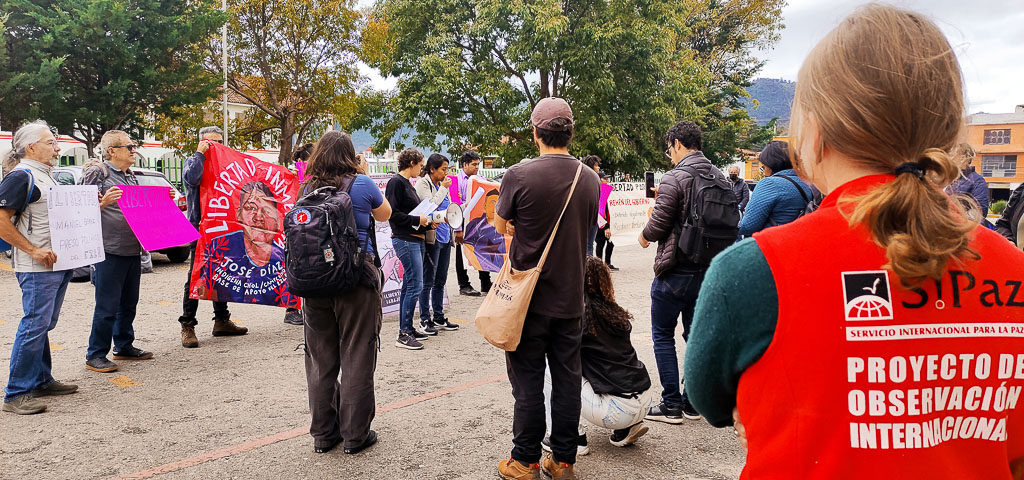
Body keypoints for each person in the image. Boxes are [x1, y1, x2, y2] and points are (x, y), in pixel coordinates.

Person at [685, 5, 1024, 478]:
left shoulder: (755, 270)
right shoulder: (1014, 271)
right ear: (946, 132)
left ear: (816, 133)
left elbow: (707, 397)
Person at [494, 97, 600, 480]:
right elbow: (588, 225)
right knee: (568, 381)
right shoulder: (590, 178)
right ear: (571, 132)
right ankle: (563, 461)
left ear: (536, 132)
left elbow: (499, 223)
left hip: (527, 301)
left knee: (527, 382)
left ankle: (525, 461)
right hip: (572, 299)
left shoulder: (518, 175)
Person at [299, 130, 391, 455]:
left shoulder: (306, 188)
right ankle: (355, 436)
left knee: (321, 360)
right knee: (357, 354)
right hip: (354, 281)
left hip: (313, 284)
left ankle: (324, 434)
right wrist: (362, 173)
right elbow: (386, 214)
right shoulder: (361, 184)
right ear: (351, 155)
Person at [637, 120, 714, 423]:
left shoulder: (676, 176)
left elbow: (658, 225)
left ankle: (671, 405)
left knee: (662, 335)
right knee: (695, 335)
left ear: (678, 143)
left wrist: (642, 237)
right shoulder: (717, 175)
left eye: (669, 147)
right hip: (707, 269)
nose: (669, 153)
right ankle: (692, 403)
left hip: (676, 268)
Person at [0, 121, 79, 414]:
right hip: (36, 267)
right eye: (50, 142)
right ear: (31, 146)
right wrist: (32, 250)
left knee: (44, 324)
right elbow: (1, 219)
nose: (57, 148)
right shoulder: (21, 176)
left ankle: (42, 379)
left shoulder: (47, 176)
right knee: (34, 324)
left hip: (57, 262)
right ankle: (16, 393)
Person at [542, 257, 654, 456]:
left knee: (550, 366)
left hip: (616, 410)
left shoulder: (578, 316)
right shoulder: (615, 312)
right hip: (644, 400)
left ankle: (567, 436)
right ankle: (627, 428)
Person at [80, 130, 153, 373]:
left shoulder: (130, 176)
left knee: (129, 303)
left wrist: (164, 201)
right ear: (112, 150)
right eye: (129, 146)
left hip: (131, 249)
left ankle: (123, 346)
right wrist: (102, 203)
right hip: (108, 250)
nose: (134, 151)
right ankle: (96, 354)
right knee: (107, 306)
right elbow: (78, 209)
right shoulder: (98, 172)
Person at [178, 126, 247, 348]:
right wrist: (200, 153)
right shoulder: (192, 161)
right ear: (202, 142)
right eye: (211, 142)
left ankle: (222, 320)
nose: (215, 145)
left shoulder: (225, 165)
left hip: (221, 228)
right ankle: (188, 324)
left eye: (219, 141)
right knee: (196, 277)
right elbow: (192, 178)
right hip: (199, 229)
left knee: (222, 274)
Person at [195, 181, 287, 305]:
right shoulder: (217, 248)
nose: (258, 217)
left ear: (278, 219)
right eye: (250, 208)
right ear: (239, 214)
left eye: (267, 210)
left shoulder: (285, 254)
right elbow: (205, 289)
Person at [386, 148, 432, 350]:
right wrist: (417, 219)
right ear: (412, 162)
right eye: (420, 165)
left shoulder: (407, 184)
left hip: (414, 238)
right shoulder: (396, 182)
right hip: (405, 239)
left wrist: (427, 223)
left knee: (410, 284)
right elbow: (392, 213)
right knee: (415, 285)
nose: (421, 169)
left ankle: (408, 327)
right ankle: (403, 333)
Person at [414, 153, 460, 333]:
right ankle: (425, 319)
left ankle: (439, 316)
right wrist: (443, 189)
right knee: (428, 279)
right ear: (432, 169)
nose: (446, 173)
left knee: (440, 279)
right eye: (443, 169)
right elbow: (429, 205)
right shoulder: (423, 184)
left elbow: (446, 207)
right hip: (431, 237)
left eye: (447, 169)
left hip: (445, 236)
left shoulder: (440, 185)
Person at [737, 141, 814, 236]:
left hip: (771, 243)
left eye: (763, 167)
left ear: (771, 164)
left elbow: (747, 226)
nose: (764, 172)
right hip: (796, 240)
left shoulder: (769, 184)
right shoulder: (805, 183)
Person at [283, 143, 315, 326]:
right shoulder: (293, 176)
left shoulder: (311, 177)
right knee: (293, 265)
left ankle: (299, 306)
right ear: (302, 162)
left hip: (307, 226)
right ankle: (292, 308)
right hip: (295, 227)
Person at [454, 151, 491, 296]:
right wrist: (458, 229)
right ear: (464, 165)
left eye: (478, 164)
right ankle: (464, 284)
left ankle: (485, 281)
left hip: (479, 221)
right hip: (462, 220)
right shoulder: (455, 181)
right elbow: (455, 205)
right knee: (461, 253)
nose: (476, 167)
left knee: (482, 250)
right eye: (473, 164)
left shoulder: (481, 179)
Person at [463, 189, 506, 272]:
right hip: (481, 267)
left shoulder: (502, 225)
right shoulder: (475, 224)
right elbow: (467, 246)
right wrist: (481, 266)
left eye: (498, 203)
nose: (495, 206)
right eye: (492, 202)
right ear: (485, 206)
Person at [946, 142, 990, 220]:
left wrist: (953, 220)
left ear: (963, 158)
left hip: (959, 229)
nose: (947, 159)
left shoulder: (977, 181)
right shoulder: (947, 179)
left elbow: (980, 211)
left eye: (951, 156)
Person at [594, 174, 617, 270]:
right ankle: (600, 265)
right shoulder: (599, 191)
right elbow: (600, 210)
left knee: (610, 243)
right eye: (604, 178)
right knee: (600, 243)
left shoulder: (604, 190)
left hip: (605, 222)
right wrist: (606, 226)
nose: (606, 180)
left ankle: (607, 263)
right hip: (600, 223)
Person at [582, 155, 602, 256]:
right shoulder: (595, 180)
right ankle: (588, 269)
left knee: (587, 244)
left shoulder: (582, 179)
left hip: (587, 215)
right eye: (596, 166)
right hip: (592, 216)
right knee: (589, 245)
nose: (598, 168)